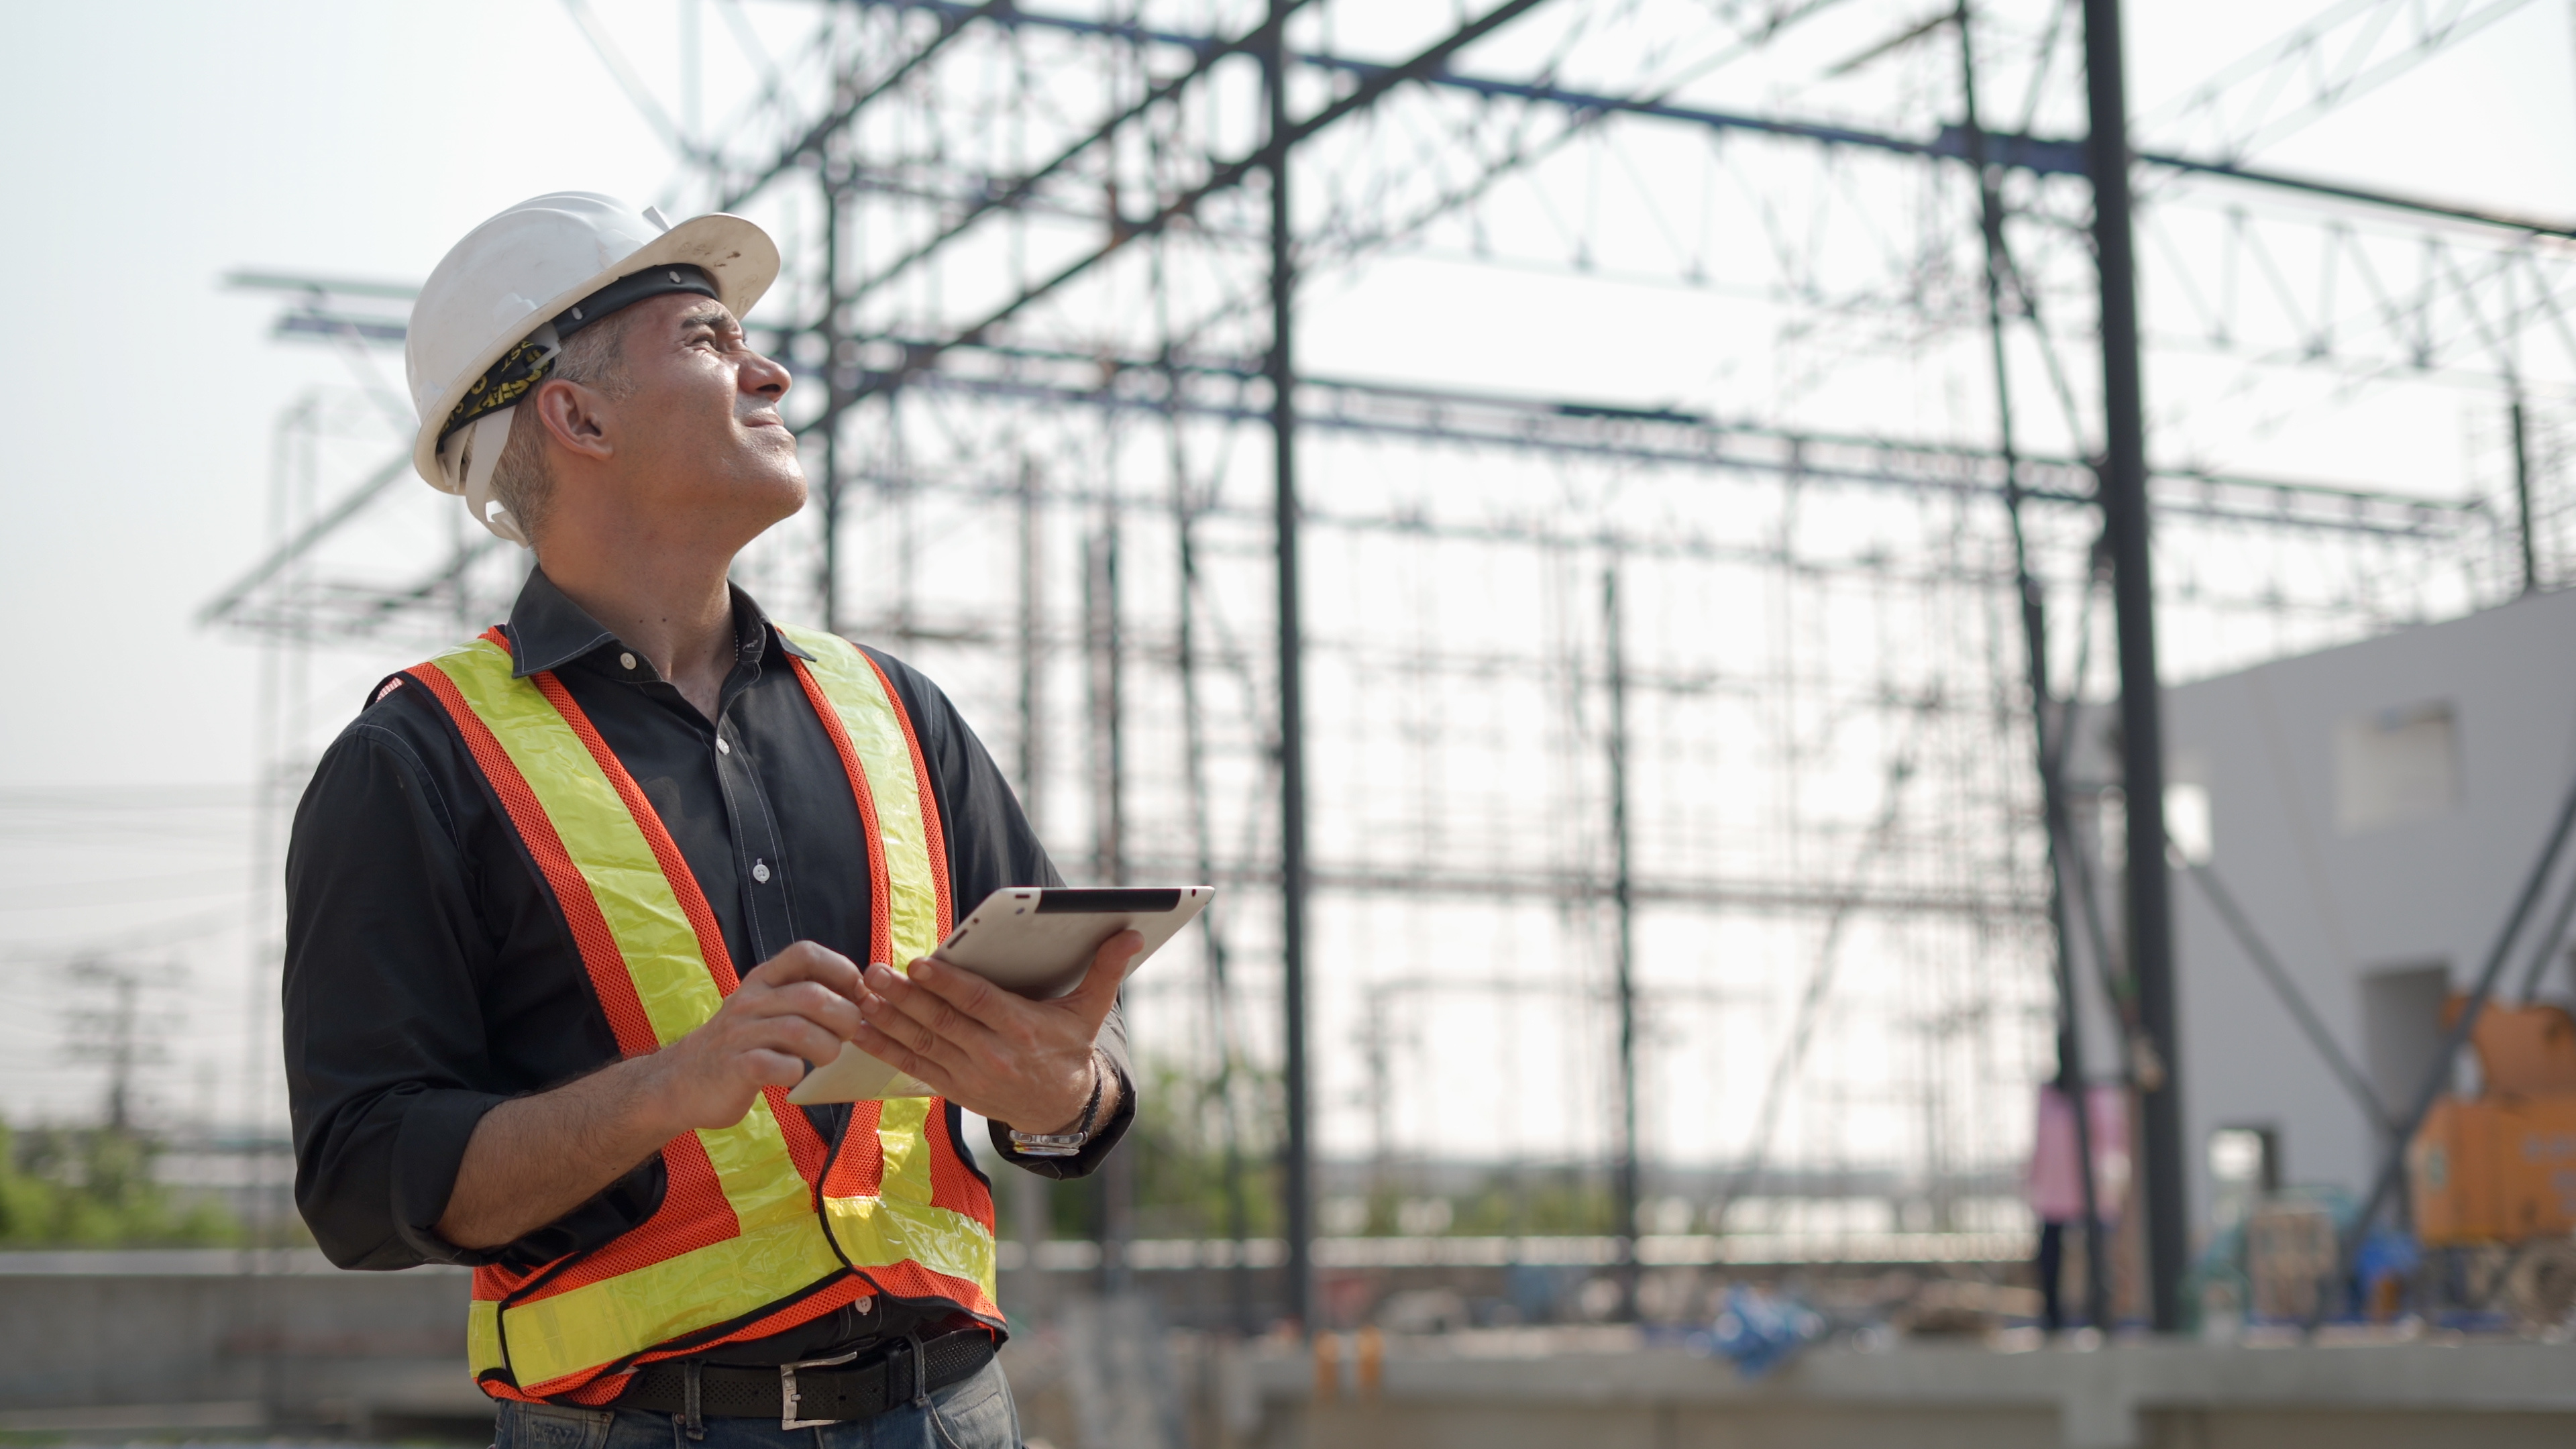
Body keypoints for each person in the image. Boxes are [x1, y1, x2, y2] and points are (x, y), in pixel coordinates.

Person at [283, 193, 1136, 1449]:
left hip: (956, 1415)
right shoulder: (417, 763)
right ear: (573, 414)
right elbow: (361, 1186)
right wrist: (665, 1092)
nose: (770, 368)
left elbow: (1083, 1073)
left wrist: (1061, 1094)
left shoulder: (900, 715)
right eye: (706, 338)